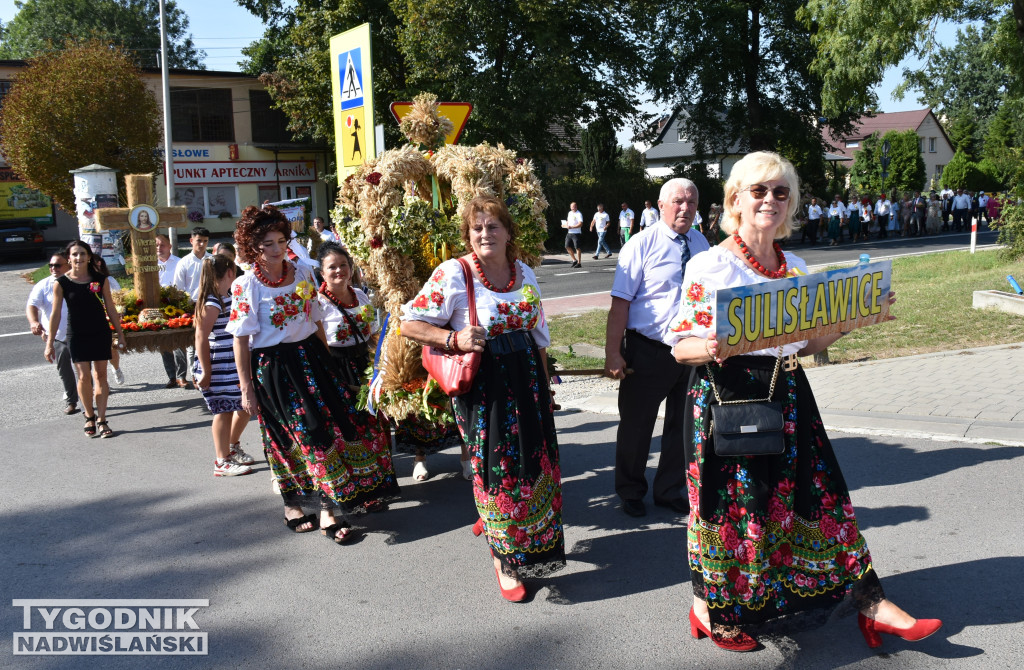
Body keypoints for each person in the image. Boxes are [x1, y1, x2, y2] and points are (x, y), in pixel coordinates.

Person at [666, 151, 941, 652]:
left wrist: (850, 321)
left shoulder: (795, 266)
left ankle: (873, 605)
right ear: (736, 199)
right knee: (734, 511)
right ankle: (711, 608)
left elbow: (806, 343)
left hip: (791, 394)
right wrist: (709, 346)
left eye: (781, 191)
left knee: (820, 500)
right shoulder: (710, 264)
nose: (770, 199)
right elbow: (679, 345)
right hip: (729, 397)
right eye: (759, 190)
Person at [401, 195, 564, 602]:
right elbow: (409, 322)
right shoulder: (453, 274)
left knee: (534, 466)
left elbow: (538, 336)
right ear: (468, 234)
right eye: (477, 228)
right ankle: (503, 557)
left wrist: (545, 388)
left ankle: (530, 540)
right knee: (498, 470)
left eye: (493, 226)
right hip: (485, 388)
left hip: (526, 382)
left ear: (509, 232)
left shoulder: (523, 271)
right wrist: (450, 337)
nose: (485, 234)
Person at [227, 205, 399, 541]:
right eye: (268, 244)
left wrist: (327, 359)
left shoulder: (304, 272)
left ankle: (328, 508)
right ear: (253, 249)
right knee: (293, 434)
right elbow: (241, 339)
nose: (277, 250)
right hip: (273, 367)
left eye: (281, 241)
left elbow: (317, 320)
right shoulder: (246, 285)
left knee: (331, 427)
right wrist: (246, 386)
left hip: (311, 356)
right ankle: (293, 504)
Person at [604, 178, 710, 518]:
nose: (685, 208)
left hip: (691, 350)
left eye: (692, 202)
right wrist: (612, 353)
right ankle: (631, 490)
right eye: (678, 201)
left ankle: (668, 489)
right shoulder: (641, 244)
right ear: (661, 205)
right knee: (637, 425)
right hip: (649, 349)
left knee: (684, 426)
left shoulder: (701, 243)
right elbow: (619, 304)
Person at [44, 241, 127, 438]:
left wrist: (120, 333)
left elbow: (110, 308)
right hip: (77, 333)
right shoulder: (61, 283)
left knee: (100, 376)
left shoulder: (100, 279)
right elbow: (55, 314)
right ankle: (89, 415)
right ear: (69, 258)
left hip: (99, 331)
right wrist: (49, 343)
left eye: (82, 254)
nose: (79, 258)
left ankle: (102, 419)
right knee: (83, 376)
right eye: (75, 254)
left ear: (89, 256)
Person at [193, 254, 255, 476]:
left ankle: (230, 448)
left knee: (241, 407)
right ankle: (221, 460)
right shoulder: (212, 302)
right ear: (230, 272)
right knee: (223, 411)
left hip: (230, 364)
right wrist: (206, 370)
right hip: (219, 366)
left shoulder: (223, 297)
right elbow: (201, 337)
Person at [26, 251, 79, 415]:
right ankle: (71, 401)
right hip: (57, 336)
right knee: (64, 369)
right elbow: (32, 305)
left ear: (68, 264)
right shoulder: (43, 285)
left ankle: (88, 398)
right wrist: (34, 322)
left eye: (57, 265)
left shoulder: (78, 281)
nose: (53, 268)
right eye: (51, 265)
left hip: (79, 333)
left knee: (83, 368)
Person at [156, 234, 188, 388]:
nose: (159, 248)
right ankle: (171, 376)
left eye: (162, 244)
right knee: (164, 342)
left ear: (169, 246)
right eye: (156, 245)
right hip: (158, 307)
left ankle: (181, 376)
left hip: (176, 305)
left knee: (178, 341)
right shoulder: (150, 264)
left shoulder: (179, 262)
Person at [564, 202, 584, 268]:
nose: (573, 209)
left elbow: (580, 224)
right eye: (572, 207)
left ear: (576, 207)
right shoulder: (569, 213)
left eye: (574, 207)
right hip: (569, 232)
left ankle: (579, 263)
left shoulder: (579, 214)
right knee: (567, 246)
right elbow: (568, 221)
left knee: (577, 247)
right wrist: (565, 225)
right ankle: (574, 260)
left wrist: (572, 227)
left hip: (576, 233)